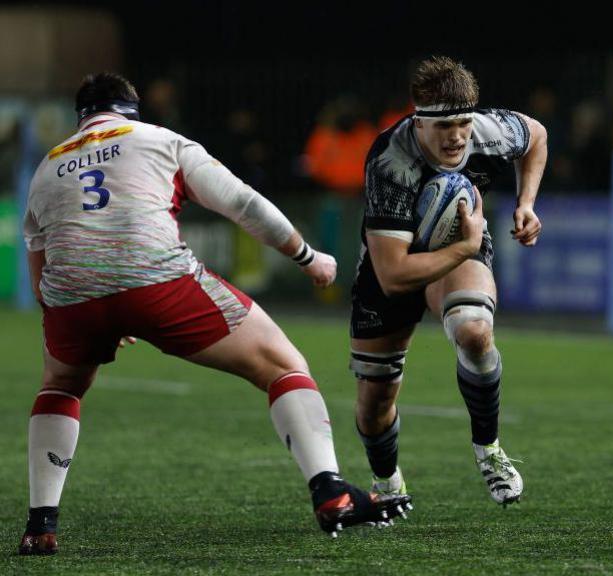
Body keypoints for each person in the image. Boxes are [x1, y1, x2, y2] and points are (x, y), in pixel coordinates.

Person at [17, 72, 410, 555]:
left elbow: (39, 270)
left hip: (71, 299)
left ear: (81, 117)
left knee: (60, 387)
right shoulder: (160, 140)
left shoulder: (47, 167)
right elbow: (242, 202)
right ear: (132, 109)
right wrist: (307, 256)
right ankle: (331, 491)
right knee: (283, 365)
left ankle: (40, 525)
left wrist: (97, 314)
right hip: (156, 281)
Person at [349, 56, 547, 505]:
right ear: (419, 121)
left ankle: (489, 449)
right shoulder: (391, 161)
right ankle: (387, 484)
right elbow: (392, 275)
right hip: (393, 261)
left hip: (459, 246)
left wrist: (527, 203)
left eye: (462, 123)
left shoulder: (489, 131)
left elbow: (537, 136)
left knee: (474, 333)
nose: (456, 136)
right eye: (443, 126)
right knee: (375, 405)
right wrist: (466, 245)